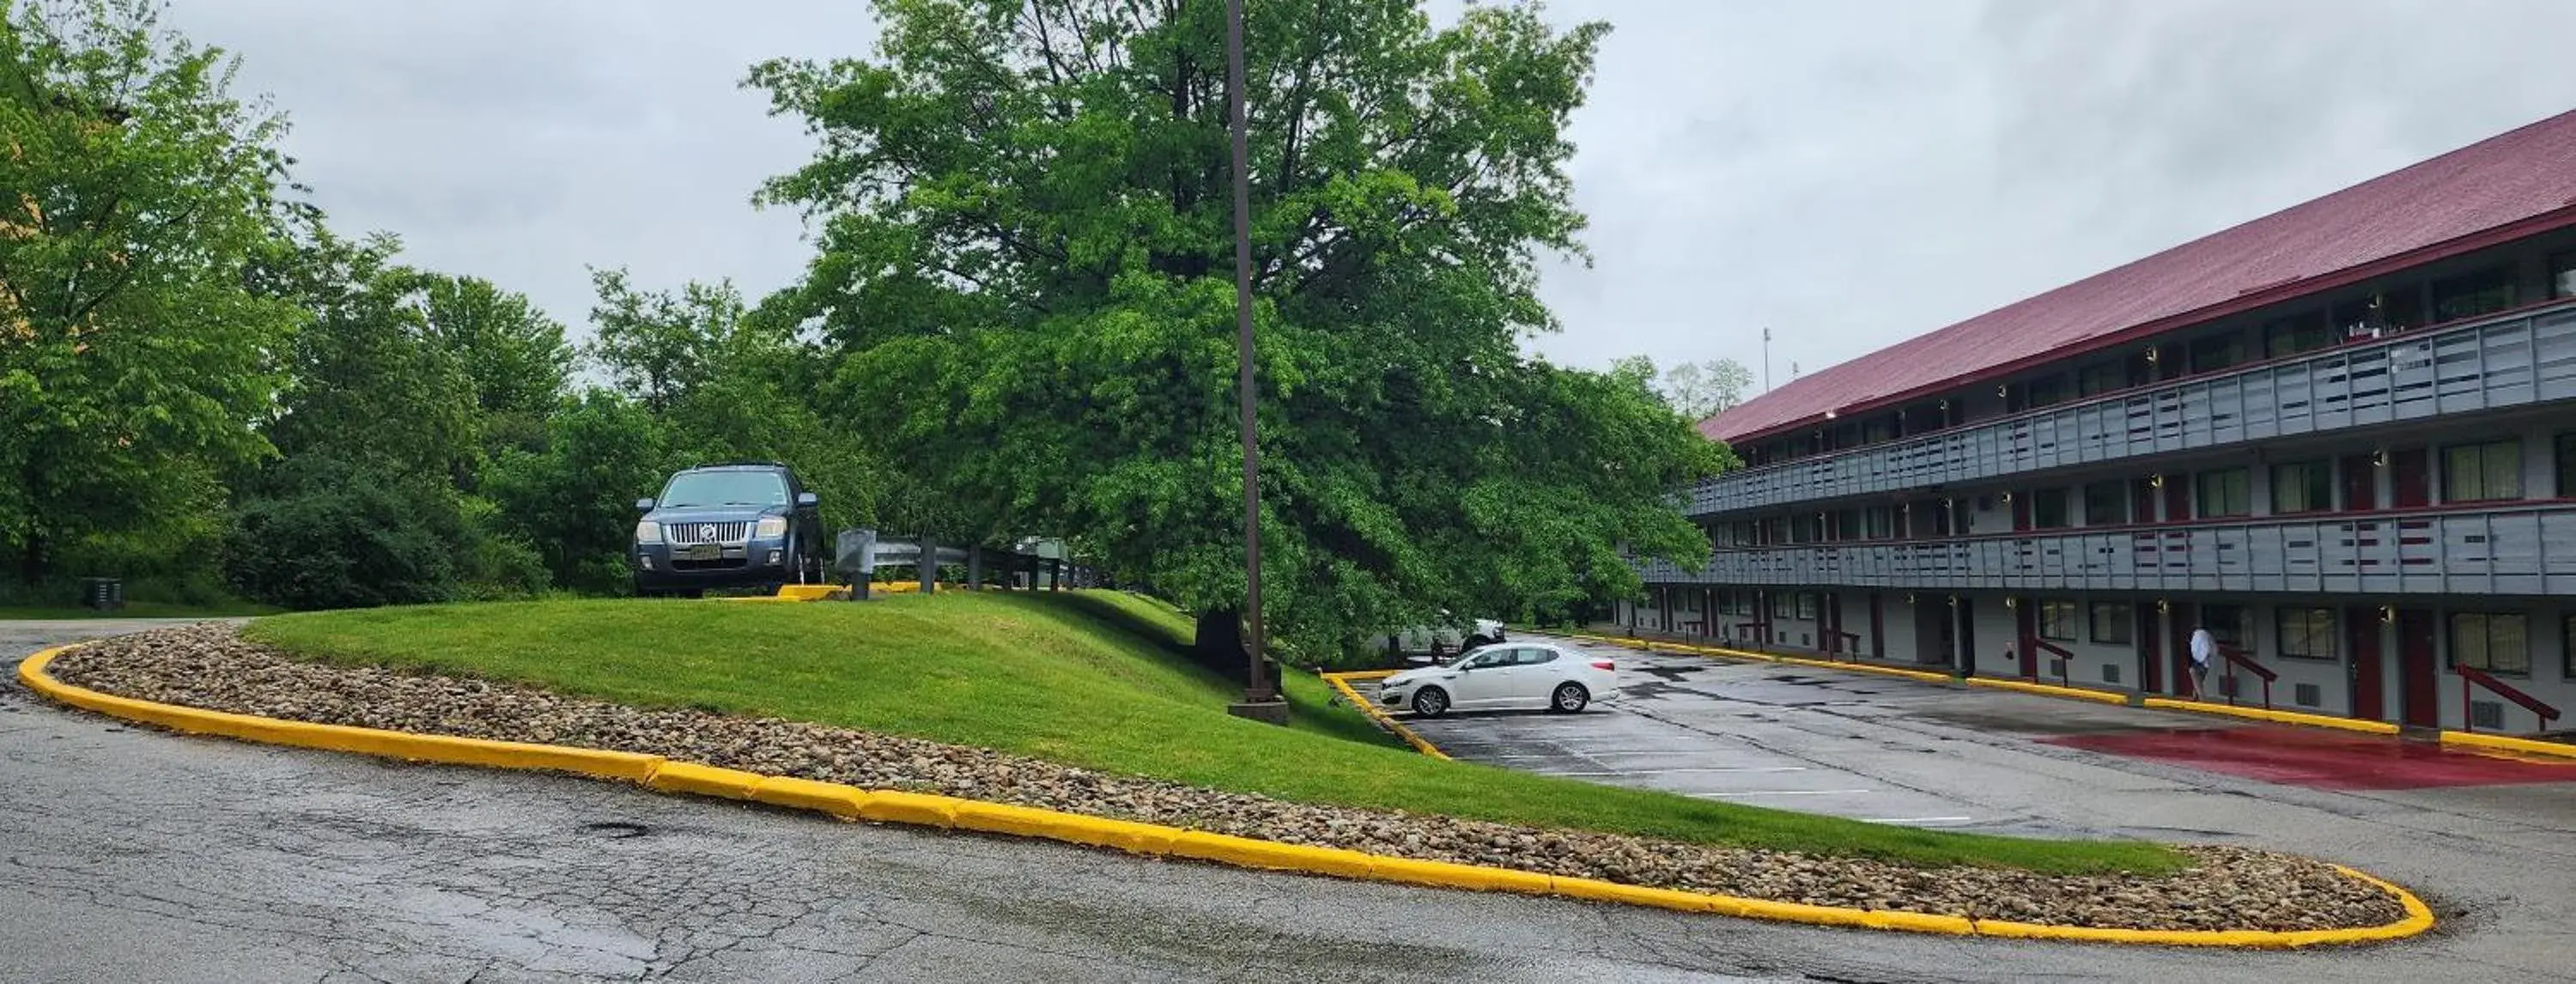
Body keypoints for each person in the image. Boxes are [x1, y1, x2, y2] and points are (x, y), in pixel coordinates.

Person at [2187, 625, 2215, 697]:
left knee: (2197, 683)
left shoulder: (2197, 636)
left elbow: (2196, 650)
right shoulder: (2206, 635)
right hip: (2206, 663)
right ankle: (2195, 695)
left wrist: (2200, 659)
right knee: (2199, 682)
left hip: (2199, 663)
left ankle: (2201, 699)